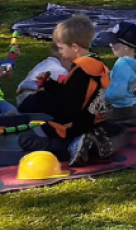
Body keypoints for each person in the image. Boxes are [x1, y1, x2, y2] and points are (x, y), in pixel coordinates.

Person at [17, 14, 113, 167]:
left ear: (74, 47)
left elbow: (68, 107)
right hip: (95, 121)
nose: (60, 52)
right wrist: (49, 83)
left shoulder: (81, 71)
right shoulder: (96, 63)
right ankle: (90, 141)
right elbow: (72, 93)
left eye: (61, 48)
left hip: (76, 125)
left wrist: (51, 118)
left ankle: (74, 146)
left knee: (26, 140)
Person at [102, 23, 136, 125]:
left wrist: (101, 94)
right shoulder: (134, 62)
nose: (110, 45)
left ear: (125, 47)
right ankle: (135, 115)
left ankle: (130, 121)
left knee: (91, 114)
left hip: (121, 109)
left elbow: (118, 93)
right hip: (130, 105)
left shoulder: (121, 65)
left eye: (114, 43)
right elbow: (124, 79)